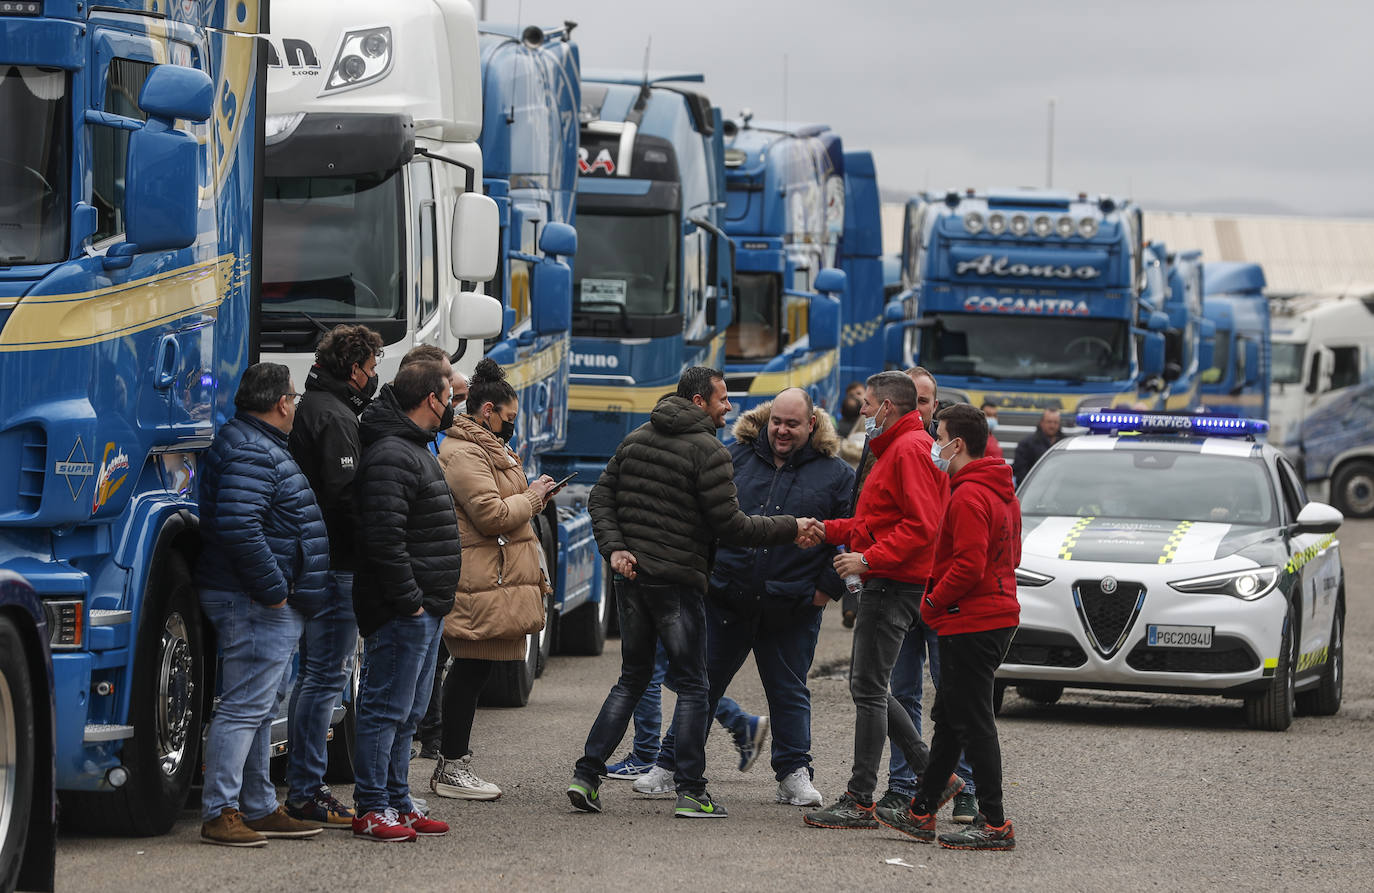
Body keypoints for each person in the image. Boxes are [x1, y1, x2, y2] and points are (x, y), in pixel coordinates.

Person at [567, 366, 814, 819]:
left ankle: (585, 775)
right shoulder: (710, 452)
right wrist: (790, 527)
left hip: (632, 581)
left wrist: (616, 549)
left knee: (632, 677)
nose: (730, 406)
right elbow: (732, 526)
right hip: (678, 586)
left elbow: (600, 497)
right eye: (723, 398)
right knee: (696, 686)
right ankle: (692, 792)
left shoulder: (637, 437)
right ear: (699, 401)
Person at [642, 388, 854, 808]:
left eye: (792, 424)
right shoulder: (731, 458)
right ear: (767, 417)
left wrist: (823, 590)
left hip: (793, 605)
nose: (782, 431)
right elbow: (700, 519)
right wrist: (704, 576)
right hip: (726, 600)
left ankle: (794, 775)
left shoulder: (837, 475)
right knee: (700, 686)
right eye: (777, 421)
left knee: (790, 692)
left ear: (811, 424)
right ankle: (669, 765)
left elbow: (849, 535)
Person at [799, 371, 960, 830]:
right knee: (869, 687)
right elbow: (877, 519)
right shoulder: (898, 448)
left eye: (868, 405)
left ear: (888, 407)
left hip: (893, 583)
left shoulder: (907, 450)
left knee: (868, 689)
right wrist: (826, 530)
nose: (863, 412)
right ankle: (928, 774)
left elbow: (923, 527)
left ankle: (863, 797)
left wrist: (867, 559)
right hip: (890, 580)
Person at [875, 403, 1021, 851]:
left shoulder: (968, 495)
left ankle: (993, 823)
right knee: (952, 719)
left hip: (971, 622)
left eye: (937, 436)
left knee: (972, 721)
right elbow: (1008, 557)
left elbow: (969, 565)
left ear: (957, 444)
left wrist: (932, 603)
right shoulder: (999, 491)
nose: (933, 445)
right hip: (993, 616)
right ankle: (921, 811)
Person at [197, 363, 330, 847]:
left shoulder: (253, 443)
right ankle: (220, 812)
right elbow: (238, 524)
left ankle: (256, 805)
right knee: (243, 707)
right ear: (281, 403)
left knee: (258, 706)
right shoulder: (252, 449)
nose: (295, 405)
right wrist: (273, 589)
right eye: (293, 398)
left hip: (256, 597)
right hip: (253, 599)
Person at [431, 358, 558, 800]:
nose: (512, 426)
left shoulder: (487, 446)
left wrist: (529, 491)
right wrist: (533, 497)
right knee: (468, 668)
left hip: (493, 577)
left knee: (475, 668)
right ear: (487, 410)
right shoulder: (463, 451)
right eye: (509, 418)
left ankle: (454, 761)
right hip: (479, 579)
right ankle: (450, 766)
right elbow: (490, 514)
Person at [351, 361, 460, 842]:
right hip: (402, 611)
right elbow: (383, 537)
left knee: (409, 713)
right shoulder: (393, 453)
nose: (452, 402)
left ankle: (398, 799)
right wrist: (410, 601)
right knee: (384, 709)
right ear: (429, 400)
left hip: (426, 608)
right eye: (448, 394)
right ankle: (371, 806)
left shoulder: (413, 448)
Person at [283, 324, 383, 828]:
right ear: (353, 368)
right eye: (370, 367)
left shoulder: (314, 405)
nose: (374, 376)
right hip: (336, 563)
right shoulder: (336, 417)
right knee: (325, 677)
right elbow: (344, 498)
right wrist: (375, 545)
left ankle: (303, 784)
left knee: (313, 676)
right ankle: (305, 788)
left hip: (314, 560)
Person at [880, 367, 977, 823]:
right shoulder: (889, 447)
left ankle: (968, 789)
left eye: (925, 402)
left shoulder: (952, 456)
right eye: (912, 400)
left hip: (941, 595)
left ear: (934, 406)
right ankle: (904, 785)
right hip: (899, 589)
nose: (918, 410)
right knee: (900, 692)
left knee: (954, 693)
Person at [1012, 408, 1064, 484]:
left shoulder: (1065, 444)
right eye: (1049, 422)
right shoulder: (1026, 444)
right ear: (1041, 422)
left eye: (1055, 422)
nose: (1052, 426)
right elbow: (1020, 473)